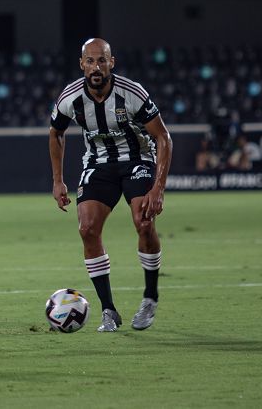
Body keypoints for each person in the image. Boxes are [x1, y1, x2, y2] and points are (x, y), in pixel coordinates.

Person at [48, 38, 173, 333]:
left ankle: (150, 297)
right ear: (82, 64)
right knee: (87, 229)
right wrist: (57, 180)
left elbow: (163, 138)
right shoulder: (70, 98)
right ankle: (108, 310)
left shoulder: (132, 94)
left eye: (101, 61)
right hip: (98, 164)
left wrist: (158, 188)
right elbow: (55, 133)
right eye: (90, 61)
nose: (95, 67)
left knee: (143, 223)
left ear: (111, 63)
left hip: (137, 160)